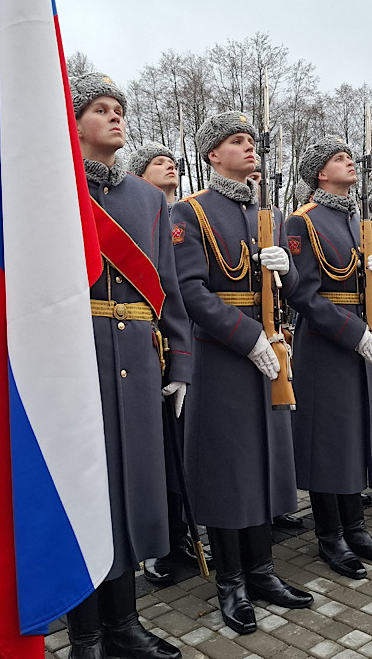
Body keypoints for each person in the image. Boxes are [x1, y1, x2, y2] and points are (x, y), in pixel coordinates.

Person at [64, 72, 190, 659]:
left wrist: (180, 362)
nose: (116, 117)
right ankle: (84, 632)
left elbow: (166, 287)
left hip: (138, 356)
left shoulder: (147, 200)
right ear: (74, 119)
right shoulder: (50, 185)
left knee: (130, 491)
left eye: (120, 109)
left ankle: (124, 623)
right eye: (100, 109)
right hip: (75, 354)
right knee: (82, 493)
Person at [172, 111, 311, 635]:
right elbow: (190, 290)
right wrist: (246, 336)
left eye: (253, 141)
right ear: (212, 154)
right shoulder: (190, 212)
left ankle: (263, 570)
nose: (249, 148)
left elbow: (292, 290)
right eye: (237, 141)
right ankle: (231, 579)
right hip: (223, 354)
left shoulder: (266, 216)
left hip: (267, 353)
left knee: (264, 465)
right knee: (229, 471)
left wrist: (286, 267)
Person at [286, 136, 372, 579]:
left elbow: (367, 285)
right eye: (339, 158)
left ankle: (356, 528)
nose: (349, 162)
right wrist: (353, 333)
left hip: (361, 337)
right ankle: (330, 535)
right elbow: (303, 293)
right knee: (327, 441)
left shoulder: (359, 221)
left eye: (350, 157)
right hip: (326, 342)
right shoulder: (303, 221)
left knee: (353, 435)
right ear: (320, 173)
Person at [128, 142, 216, 587]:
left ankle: (180, 533)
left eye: (173, 162)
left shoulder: (177, 214)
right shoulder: (130, 211)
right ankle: (157, 544)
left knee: (176, 447)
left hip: (174, 343)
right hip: (135, 348)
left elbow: (174, 291)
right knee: (152, 453)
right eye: (158, 162)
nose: (170, 166)